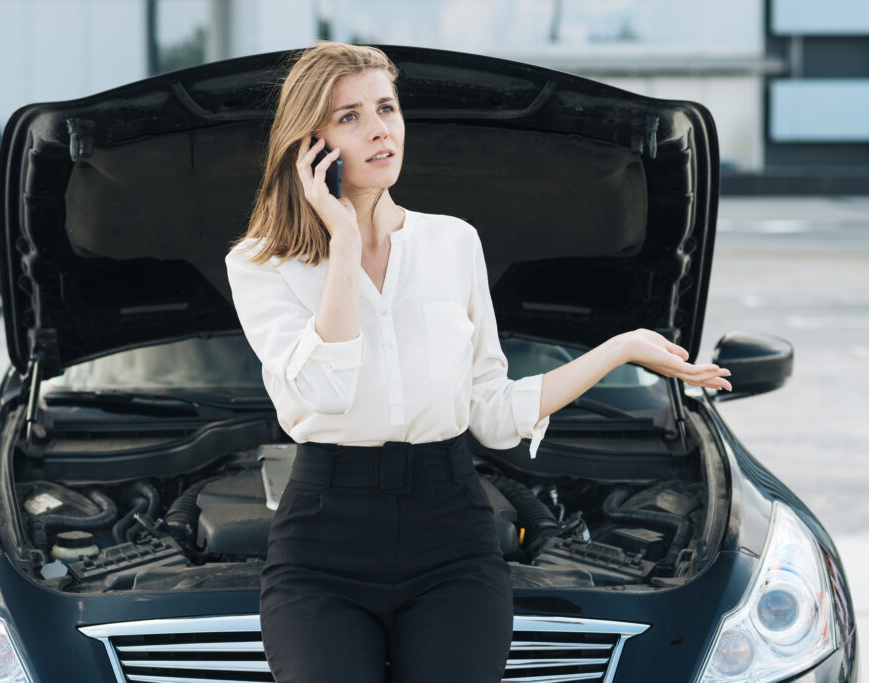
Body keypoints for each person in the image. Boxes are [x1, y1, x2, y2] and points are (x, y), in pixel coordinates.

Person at [224, 40, 732, 683]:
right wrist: (344, 242)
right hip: (324, 541)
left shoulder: (453, 243)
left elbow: (490, 411)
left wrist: (619, 348)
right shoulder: (260, 263)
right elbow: (324, 390)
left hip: (452, 533)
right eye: (349, 116)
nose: (380, 129)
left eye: (387, 108)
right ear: (310, 144)